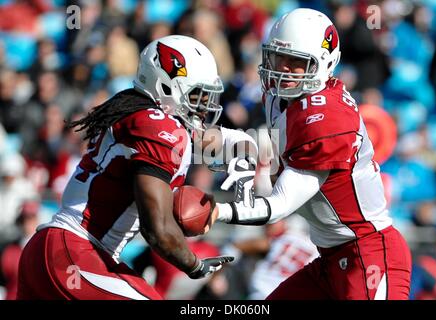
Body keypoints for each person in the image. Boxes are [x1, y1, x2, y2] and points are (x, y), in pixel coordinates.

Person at [16, 35, 259, 300]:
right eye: (197, 95)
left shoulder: (141, 114)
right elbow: (157, 230)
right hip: (75, 253)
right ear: (165, 86)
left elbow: (205, 139)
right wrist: (195, 265)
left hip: (50, 251)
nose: (204, 107)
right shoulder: (160, 127)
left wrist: (246, 142)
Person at [211, 8, 412, 300]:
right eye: (279, 59)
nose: (284, 70)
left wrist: (218, 211)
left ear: (323, 64)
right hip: (330, 260)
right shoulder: (280, 98)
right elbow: (265, 146)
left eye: (296, 62)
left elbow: (279, 205)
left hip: (368, 256)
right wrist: (200, 140)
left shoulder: (327, 118)